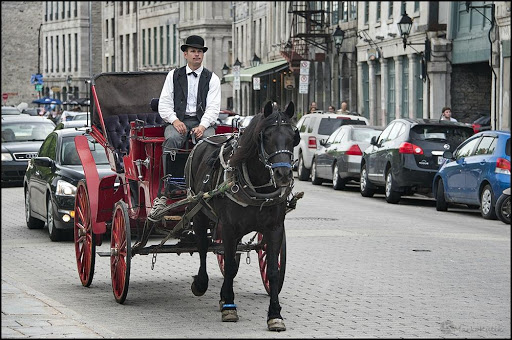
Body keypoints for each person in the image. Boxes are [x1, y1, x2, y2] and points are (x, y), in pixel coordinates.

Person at [158, 35, 221, 150]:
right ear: (185, 54)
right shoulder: (173, 75)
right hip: (178, 120)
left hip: (202, 121)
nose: (197, 54)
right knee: (172, 138)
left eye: (199, 51)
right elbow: (164, 104)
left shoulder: (213, 78)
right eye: (193, 51)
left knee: (209, 142)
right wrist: (175, 120)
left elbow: (213, 108)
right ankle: (171, 168)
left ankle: (205, 168)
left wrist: (202, 126)